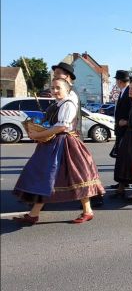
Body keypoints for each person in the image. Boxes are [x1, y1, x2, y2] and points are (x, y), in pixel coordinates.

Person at [12, 78, 105, 224]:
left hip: (65, 144)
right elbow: (53, 125)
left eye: (58, 88)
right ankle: (34, 213)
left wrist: (38, 134)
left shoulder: (68, 104)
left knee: (75, 177)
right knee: (46, 178)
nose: (54, 91)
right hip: (54, 143)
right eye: (52, 88)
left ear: (67, 90)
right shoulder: (58, 104)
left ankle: (87, 211)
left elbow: (61, 127)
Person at [52, 62, 105, 207]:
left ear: (67, 76)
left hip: (71, 134)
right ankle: (40, 197)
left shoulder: (70, 93)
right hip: (66, 135)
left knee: (80, 169)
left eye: (58, 74)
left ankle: (94, 196)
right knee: (67, 168)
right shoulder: (64, 91)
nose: (55, 76)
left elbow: (69, 118)